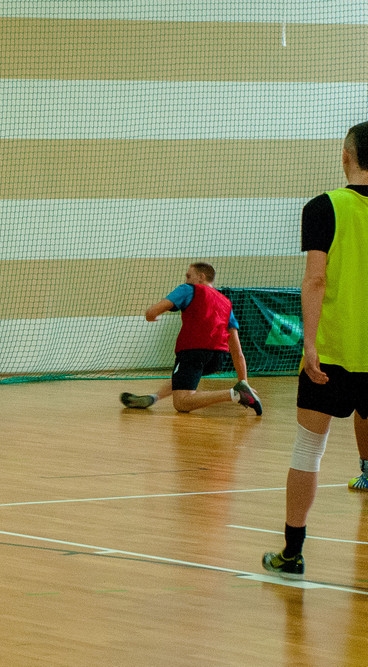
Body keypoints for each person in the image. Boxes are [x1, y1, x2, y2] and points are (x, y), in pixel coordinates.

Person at [263, 122, 368, 579]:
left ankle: (292, 553)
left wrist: (308, 342)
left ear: (346, 156)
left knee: (309, 449)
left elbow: (316, 279)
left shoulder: (324, 207)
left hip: (333, 352)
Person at [119, 262, 262, 415]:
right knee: (182, 377)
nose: (186, 280)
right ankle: (154, 398)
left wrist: (151, 315)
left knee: (182, 403)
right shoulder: (226, 303)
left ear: (201, 277)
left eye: (188, 276)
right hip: (218, 358)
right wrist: (243, 381)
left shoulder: (188, 289)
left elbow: (152, 312)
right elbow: (237, 351)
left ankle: (234, 394)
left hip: (193, 352)